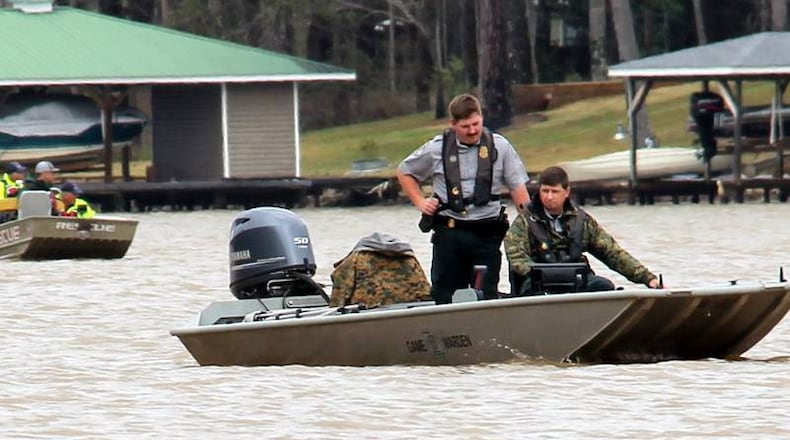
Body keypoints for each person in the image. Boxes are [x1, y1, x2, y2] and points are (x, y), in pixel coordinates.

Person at [397, 93, 531, 304]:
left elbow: (519, 191)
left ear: (481, 118)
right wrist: (421, 201)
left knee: (485, 294)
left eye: (476, 124)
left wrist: (531, 227)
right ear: (453, 125)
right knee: (445, 295)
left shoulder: (500, 146)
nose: (472, 131)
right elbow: (405, 172)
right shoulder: (436, 148)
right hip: (450, 233)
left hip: (486, 235)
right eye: (466, 126)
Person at [504, 166, 660, 295]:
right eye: (545, 191)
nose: (549, 197)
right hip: (537, 283)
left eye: (554, 191)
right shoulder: (525, 221)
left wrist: (648, 279)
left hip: (576, 280)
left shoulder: (581, 221)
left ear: (566, 192)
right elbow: (516, 256)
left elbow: (612, 253)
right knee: (530, 291)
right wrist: (546, 275)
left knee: (603, 286)